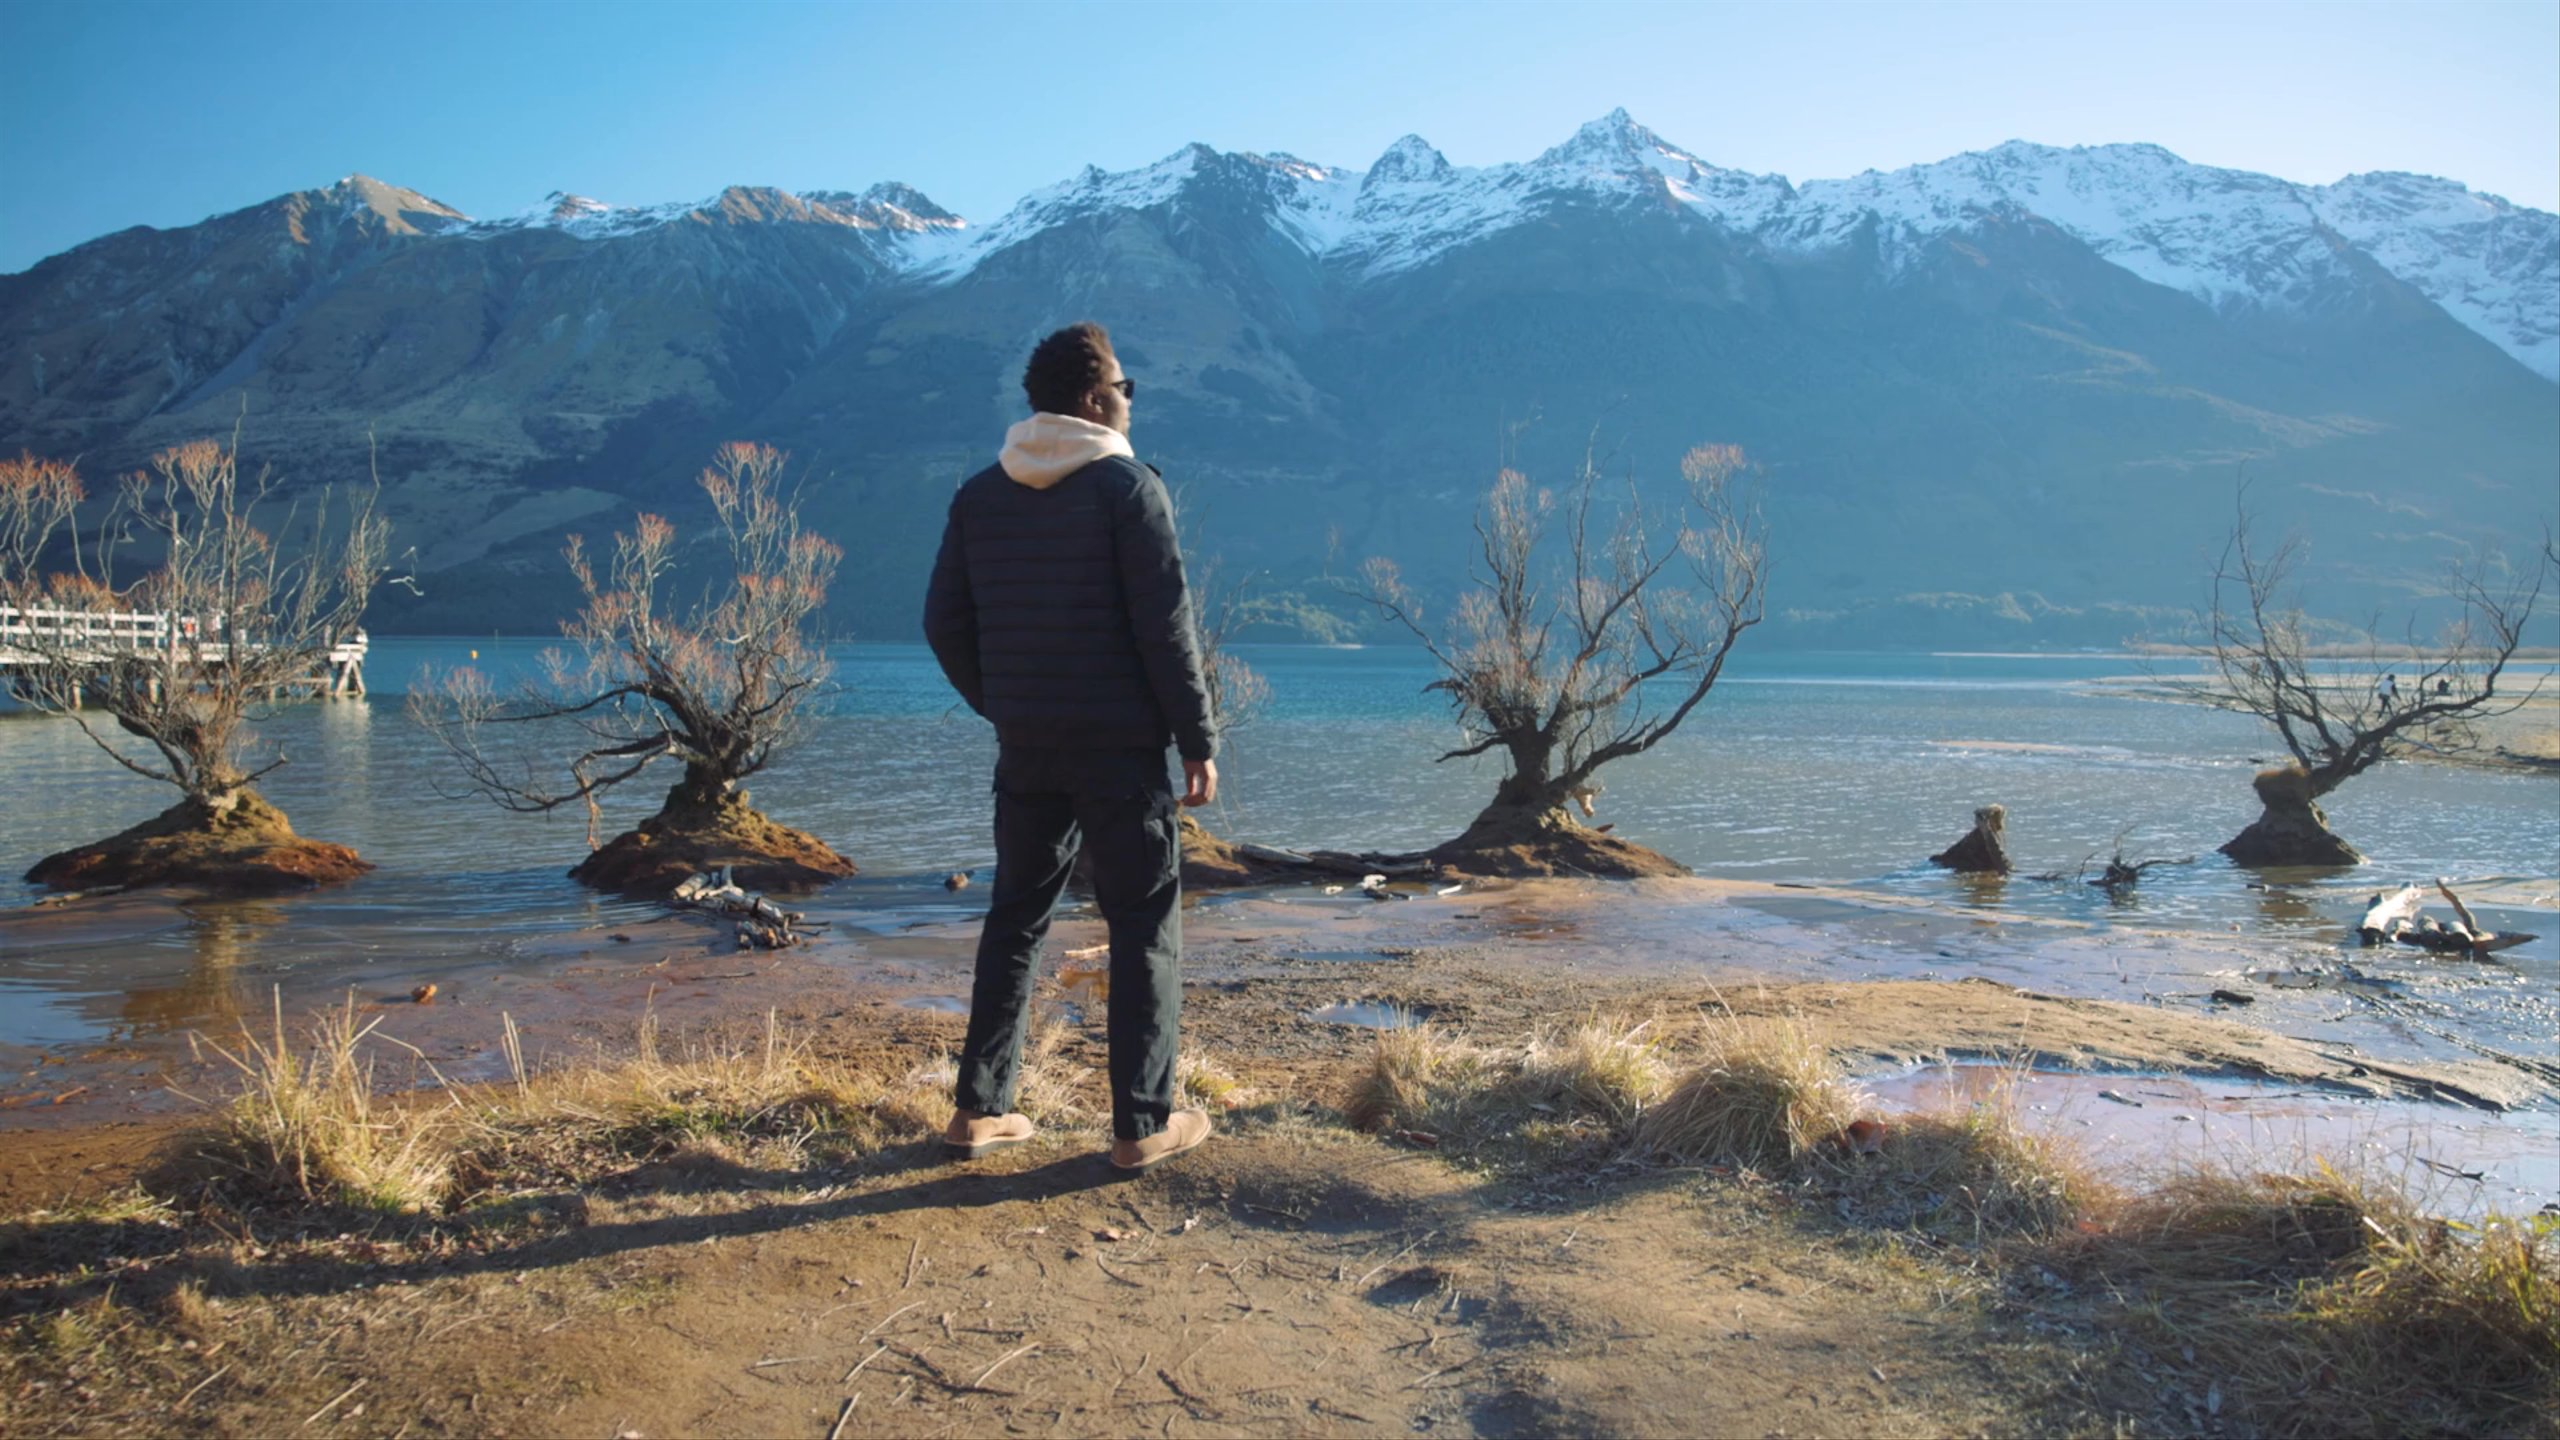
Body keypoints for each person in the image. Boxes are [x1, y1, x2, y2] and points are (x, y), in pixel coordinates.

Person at [923, 321, 1219, 1174]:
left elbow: (943, 622)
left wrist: (1006, 704)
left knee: (1016, 917)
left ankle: (979, 1112)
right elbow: (1167, 629)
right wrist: (1197, 739)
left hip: (1029, 747)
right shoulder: (1128, 489)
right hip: (1121, 751)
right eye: (1126, 387)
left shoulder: (981, 493)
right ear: (1096, 399)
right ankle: (1141, 1125)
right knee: (1142, 926)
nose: (1131, 399)